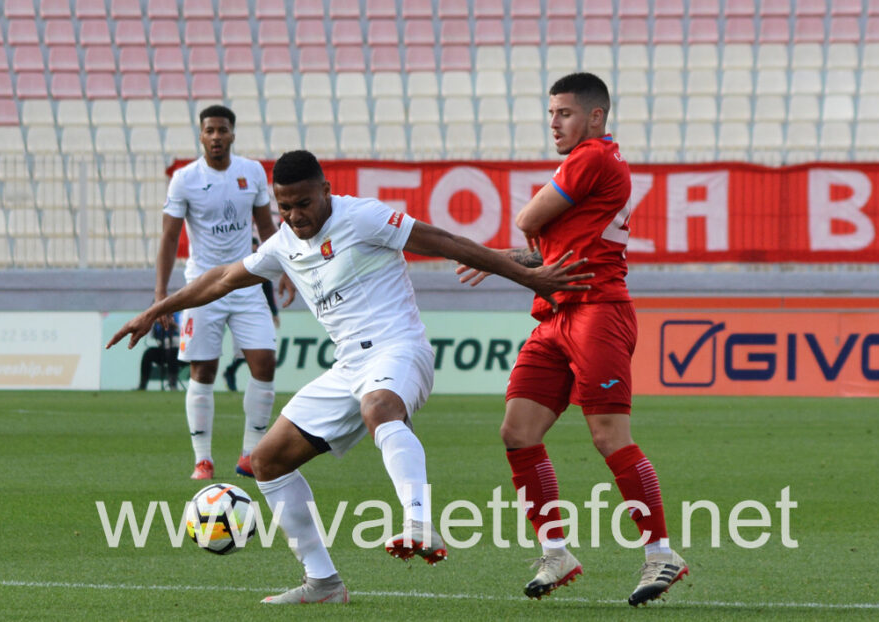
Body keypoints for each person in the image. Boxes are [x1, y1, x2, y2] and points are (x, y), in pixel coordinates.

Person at [108, 150, 592, 606]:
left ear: (326, 189)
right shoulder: (281, 245)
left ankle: (420, 522)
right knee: (266, 460)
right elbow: (219, 278)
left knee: (379, 408)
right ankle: (322, 581)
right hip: (348, 367)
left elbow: (445, 242)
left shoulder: (363, 216)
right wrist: (156, 310)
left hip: (400, 349)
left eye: (303, 203)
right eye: (284, 207)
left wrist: (526, 275)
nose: (295, 216)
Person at [457, 73, 688, 606]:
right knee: (518, 430)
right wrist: (501, 261)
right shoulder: (597, 168)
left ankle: (661, 553)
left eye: (563, 112)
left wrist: (510, 248)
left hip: (597, 312)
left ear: (595, 116)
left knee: (610, 436)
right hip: (557, 314)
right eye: (551, 113)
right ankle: (556, 552)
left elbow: (527, 219)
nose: (554, 122)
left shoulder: (592, 157)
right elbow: (551, 250)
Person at [155, 104, 295, 481]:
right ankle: (203, 459)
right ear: (201, 136)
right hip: (202, 285)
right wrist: (161, 294)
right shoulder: (184, 179)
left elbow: (268, 227)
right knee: (204, 370)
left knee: (264, 362)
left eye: (222, 130)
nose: (216, 137)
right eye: (210, 130)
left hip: (247, 280)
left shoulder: (250, 172)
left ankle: (251, 453)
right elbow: (170, 238)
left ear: (233, 134)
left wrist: (286, 269)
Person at [223, 238, 280, 392]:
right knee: (244, 353)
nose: (254, 250)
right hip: (237, 307)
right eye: (252, 247)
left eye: (256, 247)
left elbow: (267, 288)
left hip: (254, 308)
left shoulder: (260, 265)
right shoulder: (240, 266)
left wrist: (274, 311)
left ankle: (230, 372)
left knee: (261, 351)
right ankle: (230, 372)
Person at [136, 314, 181, 391]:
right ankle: (142, 385)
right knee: (148, 354)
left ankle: (173, 384)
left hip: (178, 350)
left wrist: (173, 325)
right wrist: (154, 322)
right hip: (163, 348)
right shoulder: (158, 316)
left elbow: (183, 331)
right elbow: (152, 335)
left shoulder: (179, 315)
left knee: (173, 353)